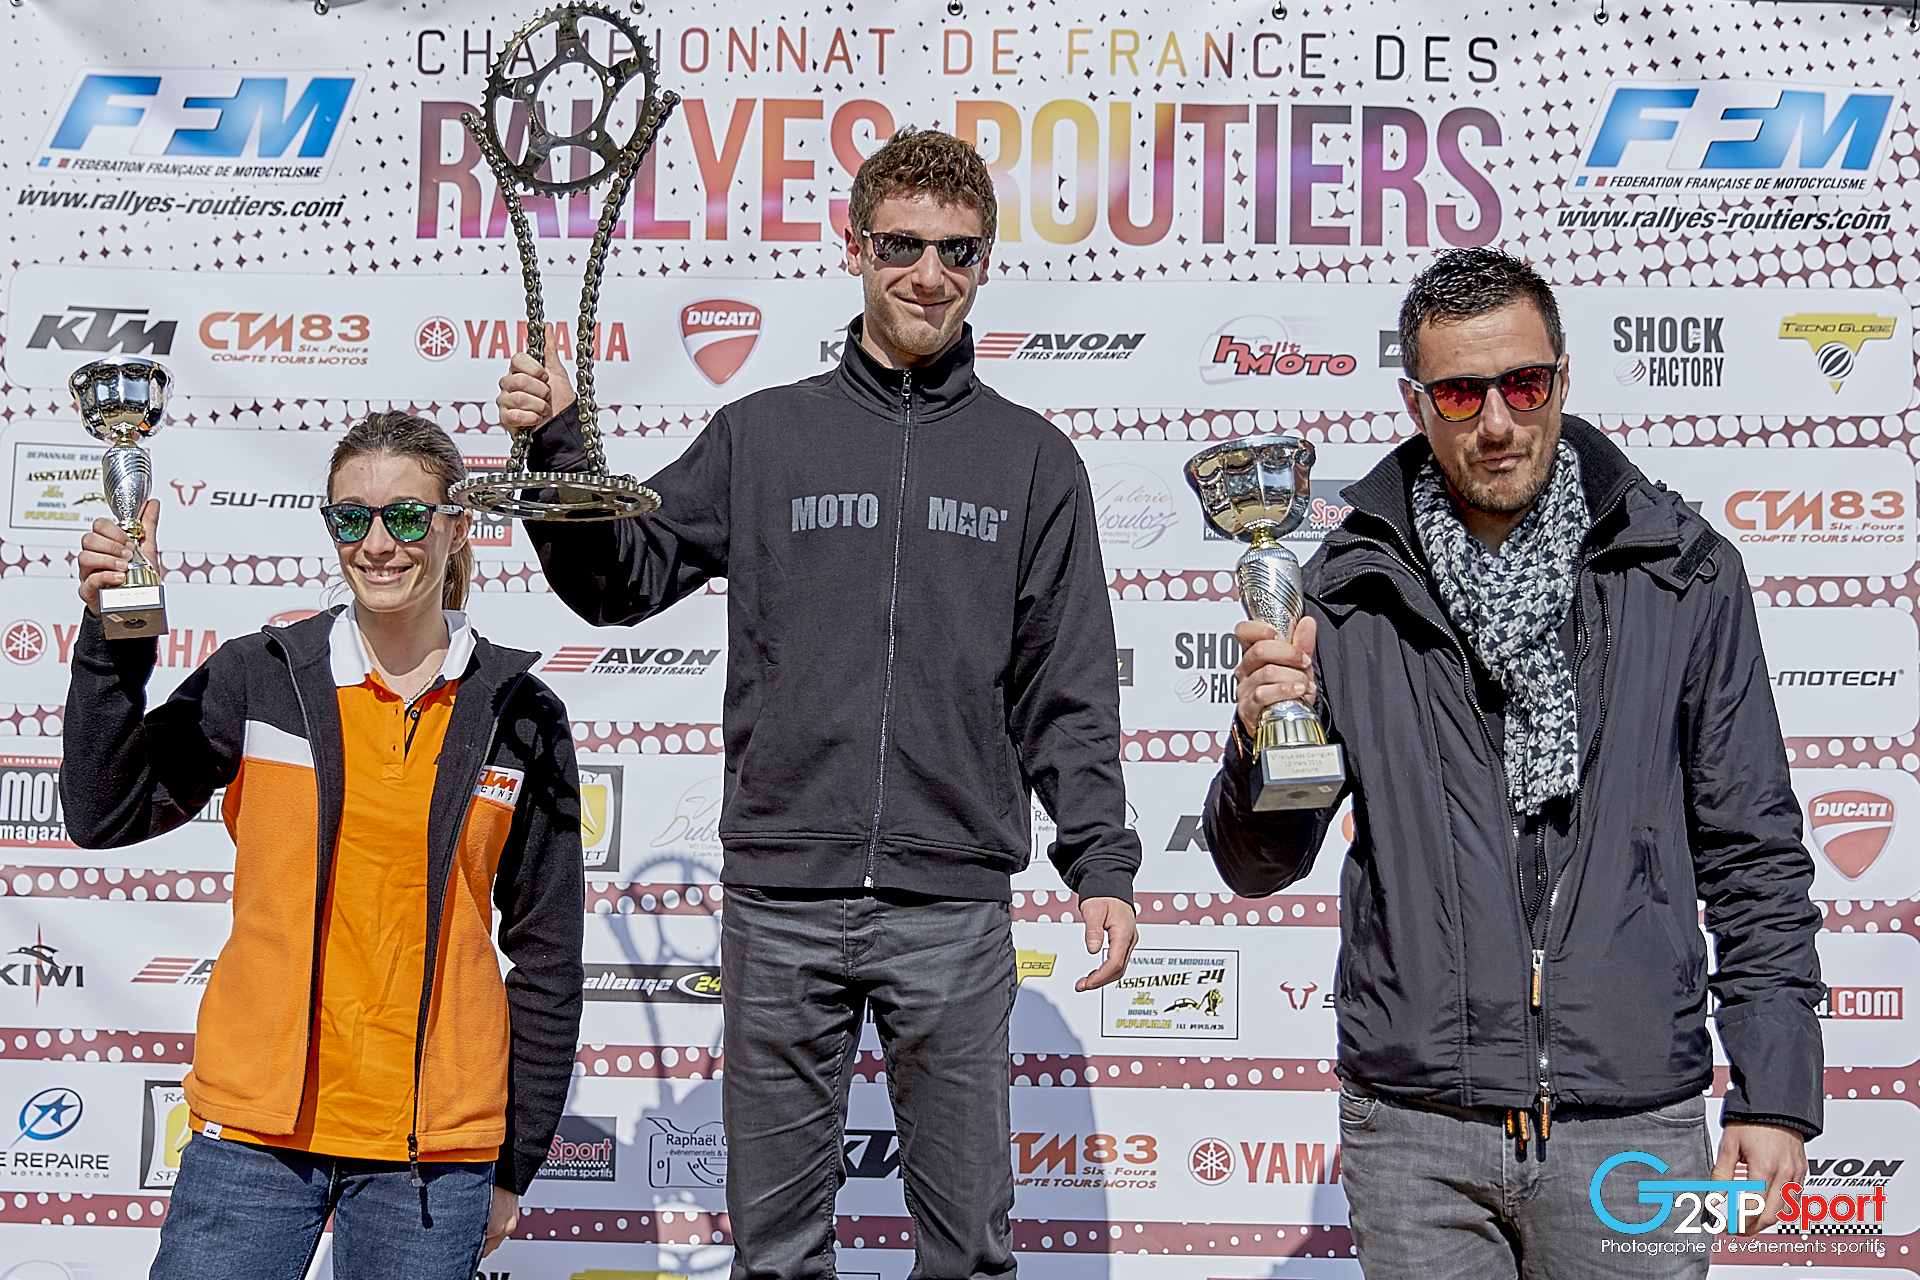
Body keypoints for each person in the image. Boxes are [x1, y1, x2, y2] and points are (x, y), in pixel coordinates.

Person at [495, 126, 1141, 1279]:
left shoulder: (1034, 462)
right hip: (781, 902)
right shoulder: (764, 433)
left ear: (986, 262)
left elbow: (1069, 685)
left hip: (951, 911)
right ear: (855, 248)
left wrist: (1099, 859)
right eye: (903, 245)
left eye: (956, 250)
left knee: (969, 1252)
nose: (929, 273)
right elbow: (622, 580)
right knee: (778, 1256)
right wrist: (555, 448)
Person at [1203, 248, 1823, 1278]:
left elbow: (1752, 847)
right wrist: (1257, 737)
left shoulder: (1682, 574)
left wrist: (1775, 1091)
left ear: (1563, 380)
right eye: (1460, 392)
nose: (1497, 421)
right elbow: (1260, 861)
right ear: (1416, 403)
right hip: (1417, 1129)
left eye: (1523, 383)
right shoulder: (1349, 591)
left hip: (1630, 1114)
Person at [62, 413, 585, 1280]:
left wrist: (514, 1161)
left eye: (407, 516)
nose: (377, 544)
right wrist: (114, 636)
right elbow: (102, 810)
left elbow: (548, 952)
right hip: (254, 1137)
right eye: (351, 518)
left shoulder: (518, 712)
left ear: (457, 525)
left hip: (433, 1157)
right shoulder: (259, 675)